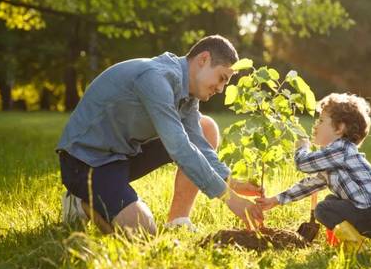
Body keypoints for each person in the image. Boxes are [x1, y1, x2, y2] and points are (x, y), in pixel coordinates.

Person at [56, 35, 264, 235]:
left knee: (205, 127)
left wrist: (231, 182)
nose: (220, 88)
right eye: (221, 78)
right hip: (86, 162)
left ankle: (178, 221)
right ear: (203, 59)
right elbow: (180, 147)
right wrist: (231, 199)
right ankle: (79, 205)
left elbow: (198, 144)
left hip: (122, 155)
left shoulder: (189, 95)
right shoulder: (156, 78)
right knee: (143, 232)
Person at [256, 93, 371, 246]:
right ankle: (337, 243)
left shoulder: (341, 149)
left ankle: (352, 246)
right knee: (330, 202)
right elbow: (309, 184)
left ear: (340, 128)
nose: (316, 125)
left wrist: (302, 147)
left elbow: (303, 163)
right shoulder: (335, 159)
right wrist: (275, 200)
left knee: (323, 209)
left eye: (321, 120)